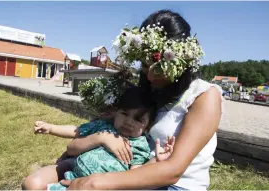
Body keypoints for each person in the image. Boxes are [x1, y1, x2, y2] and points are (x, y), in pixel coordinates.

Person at [60, 9, 223, 190]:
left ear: (181, 61)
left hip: (175, 186)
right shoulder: (147, 91)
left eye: (160, 67)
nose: (151, 75)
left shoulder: (204, 96)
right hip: (128, 173)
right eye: (145, 65)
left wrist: (95, 182)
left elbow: (174, 170)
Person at [22, 87, 175, 190]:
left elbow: (136, 173)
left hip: (100, 187)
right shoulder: (104, 126)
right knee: (30, 184)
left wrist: (155, 160)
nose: (129, 121)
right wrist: (51, 128)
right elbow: (76, 131)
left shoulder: (140, 145)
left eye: (138, 119)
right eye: (124, 113)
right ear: (116, 112)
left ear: (147, 127)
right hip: (72, 175)